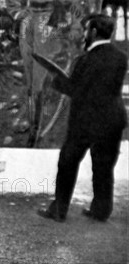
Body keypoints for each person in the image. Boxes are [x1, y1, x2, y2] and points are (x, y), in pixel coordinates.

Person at [37, 14, 128, 223]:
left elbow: (76, 90)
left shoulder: (85, 60)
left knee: (68, 163)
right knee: (104, 167)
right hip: (112, 120)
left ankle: (59, 210)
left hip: (86, 121)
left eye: (86, 30)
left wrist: (56, 80)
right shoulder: (120, 57)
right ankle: (101, 211)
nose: (84, 34)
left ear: (94, 32)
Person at [8, 0, 83, 146]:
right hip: (28, 21)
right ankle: (32, 122)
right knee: (29, 76)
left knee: (40, 78)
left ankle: (36, 130)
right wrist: (17, 13)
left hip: (46, 22)